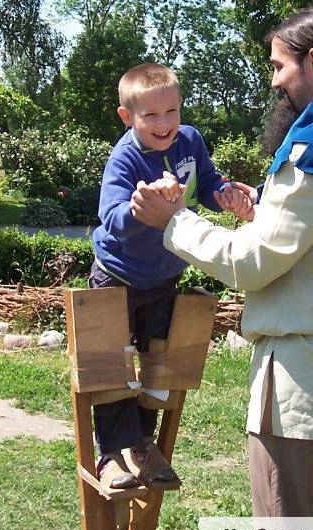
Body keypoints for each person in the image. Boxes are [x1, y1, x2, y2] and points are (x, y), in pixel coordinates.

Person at [131, 7, 313, 530]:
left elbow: (255, 262)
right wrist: (267, 209)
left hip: (304, 393)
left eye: (280, 65)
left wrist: (175, 221)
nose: (274, 79)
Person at [91, 62, 249, 490]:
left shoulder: (191, 141)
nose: (165, 124)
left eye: (172, 112)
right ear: (128, 117)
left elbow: (208, 183)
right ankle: (109, 455)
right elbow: (111, 218)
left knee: (158, 364)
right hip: (117, 278)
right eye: (151, 116)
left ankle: (141, 446)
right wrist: (142, 206)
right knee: (111, 368)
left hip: (163, 278)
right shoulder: (124, 157)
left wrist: (226, 195)